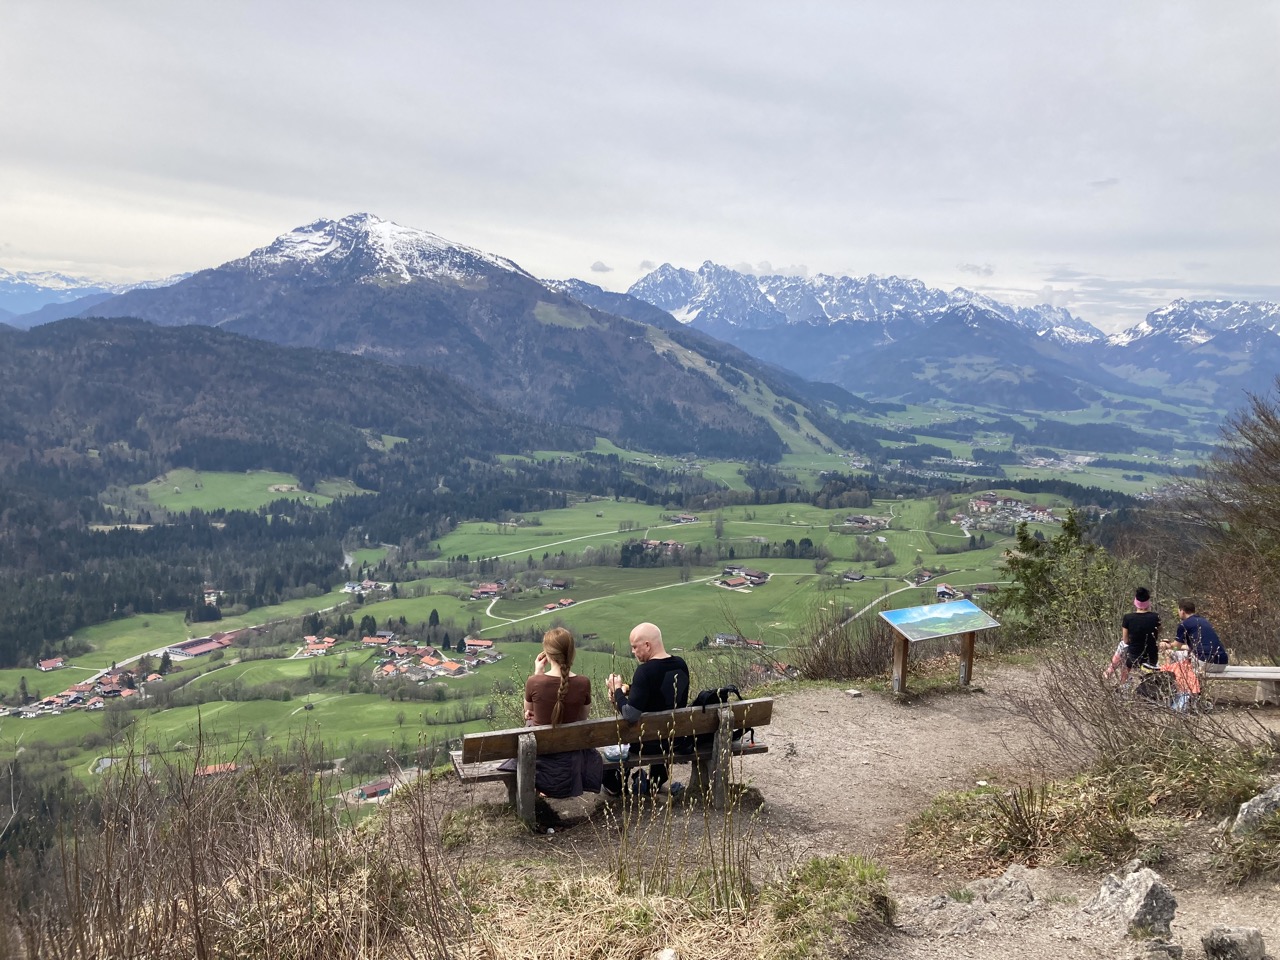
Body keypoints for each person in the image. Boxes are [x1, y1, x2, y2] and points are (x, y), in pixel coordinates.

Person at [602, 622, 690, 795]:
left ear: (647, 645)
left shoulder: (645, 671)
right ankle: (657, 782)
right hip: (672, 740)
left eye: (635, 647)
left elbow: (630, 714)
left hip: (645, 744)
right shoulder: (681, 665)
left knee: (620, 735)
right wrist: (630, 689)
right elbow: (659, 693)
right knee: (661, 729)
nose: (633, 651)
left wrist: (617, 690)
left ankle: (614, 786)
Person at [515, 627, 602, 798]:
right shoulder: (583, 683)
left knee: (529, 723)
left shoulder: (534, 682)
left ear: (546, 654)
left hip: (542, 756)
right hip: (571, 756)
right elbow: (582, 718)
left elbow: (528, 713)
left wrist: (537, 673)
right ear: (571, 653)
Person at [1116, 586, 1161, 682]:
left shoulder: (1128, 618)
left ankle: (1122, 683)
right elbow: (1158, 633)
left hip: (1133, 657)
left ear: (1135, 602)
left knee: (1123, 650)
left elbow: (1126, 640)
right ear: (1148, 602)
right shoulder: (1155, 617)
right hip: (1151, 657)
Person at [1171, 599, 1228, 668]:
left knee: (1170, 653)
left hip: (1204, 663)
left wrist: (1167, 646)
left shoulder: (1184, 624)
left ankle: (1174, 677)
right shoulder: (1204, 621)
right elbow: (1198, 646)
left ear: (1182, 611)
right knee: (1189, 654)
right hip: (1222, 663)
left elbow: (1176, 647)